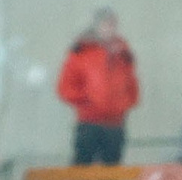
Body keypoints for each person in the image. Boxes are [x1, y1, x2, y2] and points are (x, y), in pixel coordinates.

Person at [55, 9, 139, 165]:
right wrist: (88, 100)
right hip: (89, 123)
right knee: (82, 169)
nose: (110, 28)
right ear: (96, 26)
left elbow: (132, 84)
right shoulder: (81, 52)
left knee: (112, 171)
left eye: (112, 24)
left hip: (115, 123)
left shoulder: (123, 54)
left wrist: (124, 104)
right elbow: (66, 87)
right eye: (105, 24)